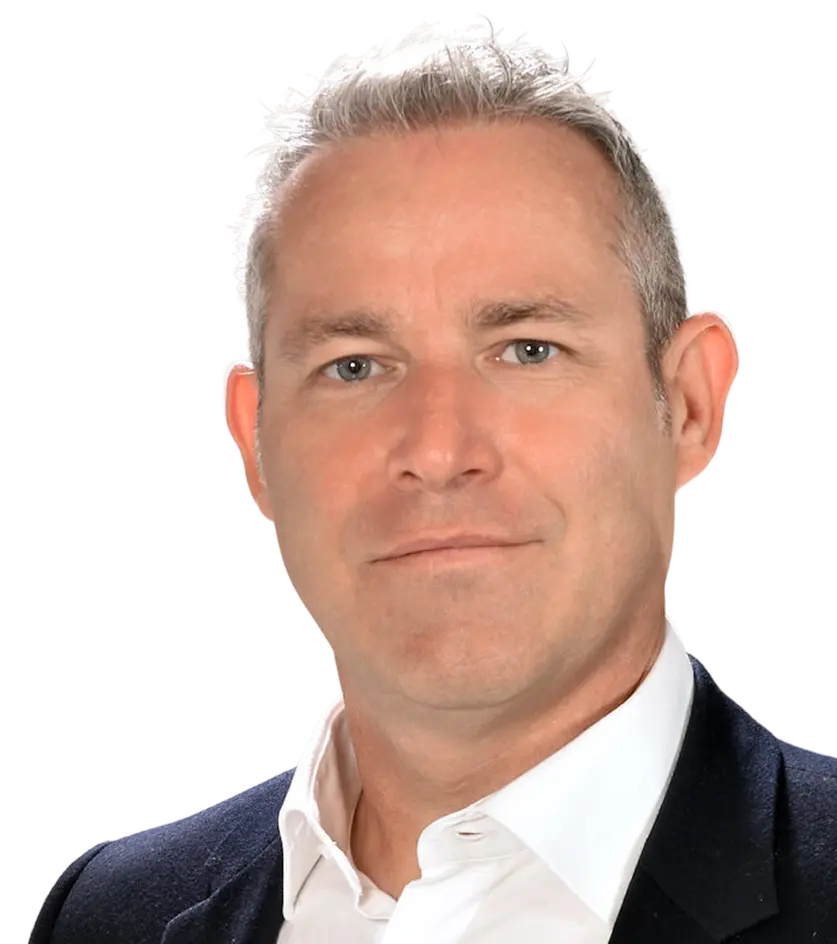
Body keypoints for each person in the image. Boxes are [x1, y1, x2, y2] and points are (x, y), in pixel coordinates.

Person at [29, 19, 835, 944]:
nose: (439, 450)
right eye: (354, 366)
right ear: (253, 441)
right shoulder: (108, 918)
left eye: (527, 350)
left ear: (689, 404)